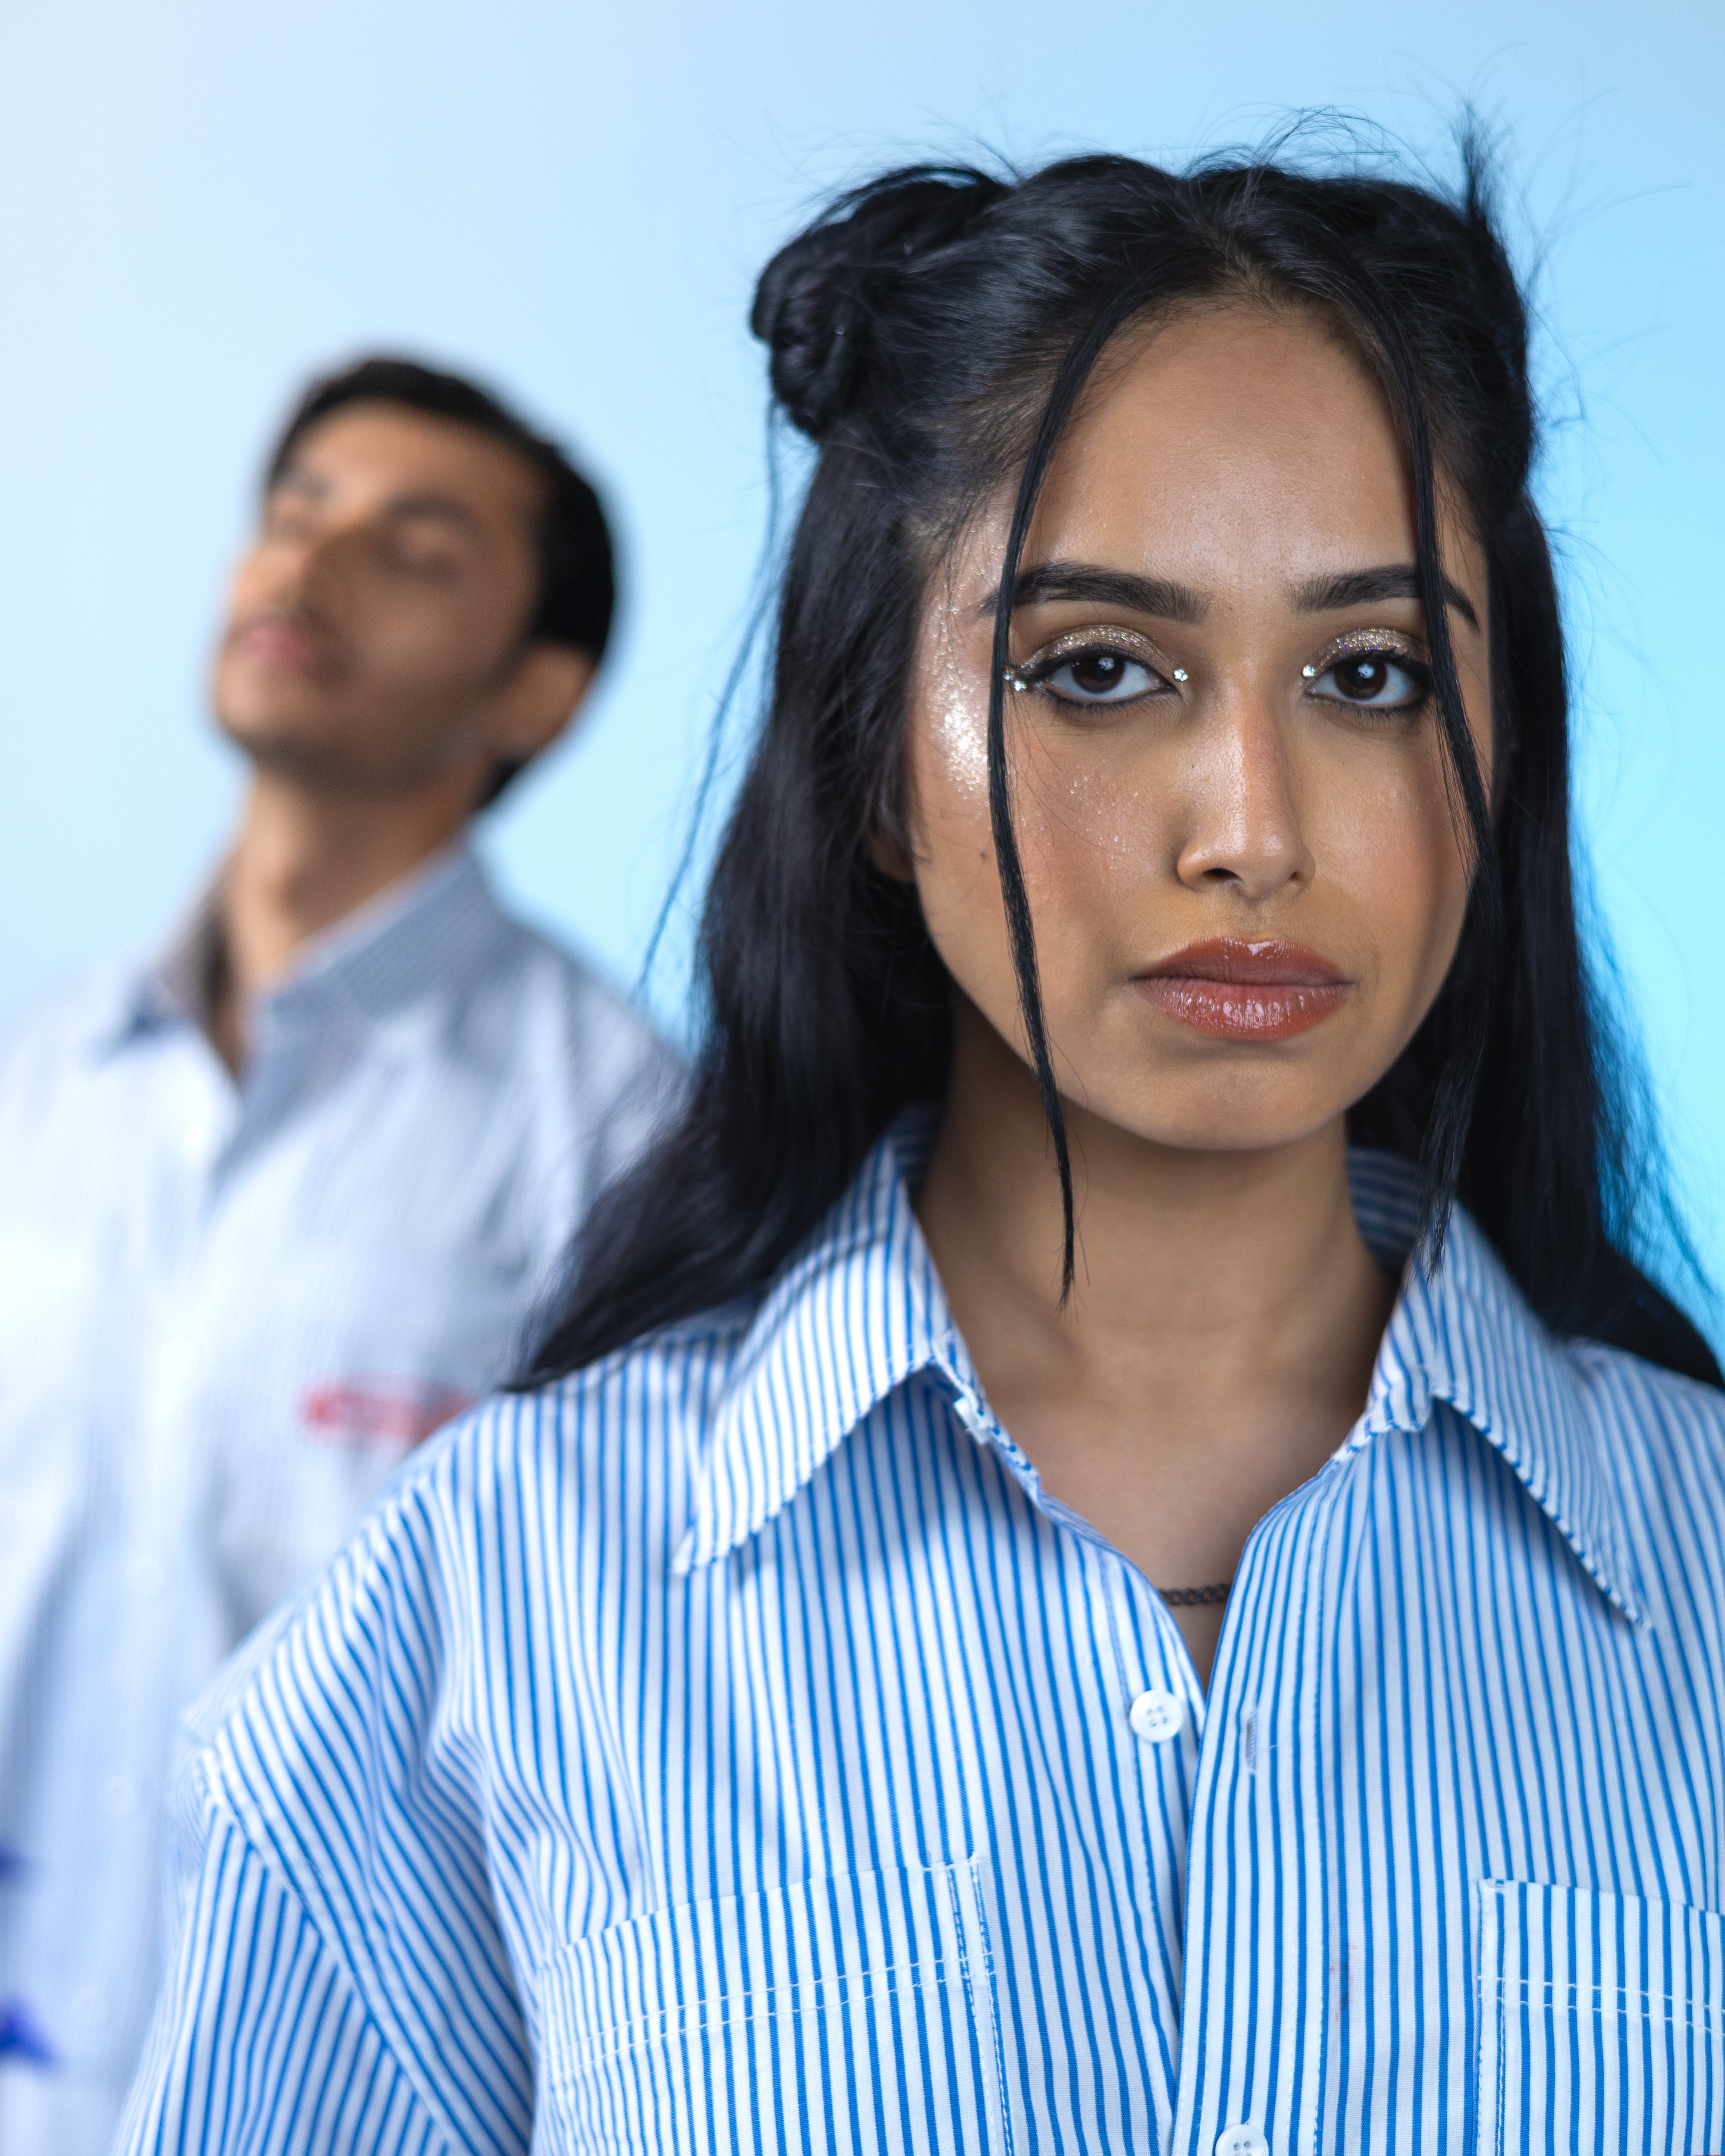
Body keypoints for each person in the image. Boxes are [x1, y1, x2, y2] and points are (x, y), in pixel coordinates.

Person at [120, 147, 1725, 2156]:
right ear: (875, 758)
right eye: (1099, 670)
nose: (1252, 824)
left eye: (1367, 674)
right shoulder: (476, 1609)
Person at [0, 357, 677, 2155]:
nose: (305, 569)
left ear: (538, 688)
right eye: (295, 509)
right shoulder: (37, 1088)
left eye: (415, 546)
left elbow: (623, 1735)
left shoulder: (619, 1140)